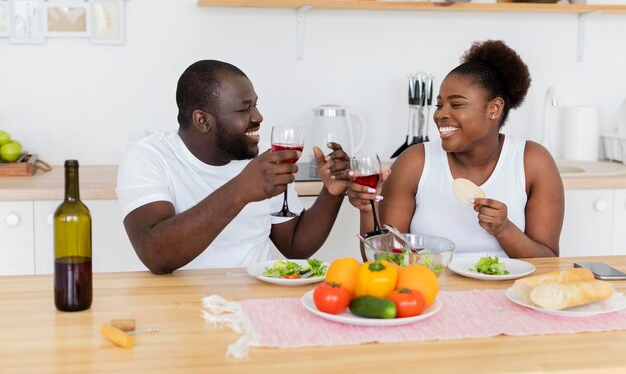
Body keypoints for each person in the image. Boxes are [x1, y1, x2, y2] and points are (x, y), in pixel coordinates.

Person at [116, 60, 350, 274]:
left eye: (255, 105)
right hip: (182, 304)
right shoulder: (148, 157)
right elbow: (156, 255)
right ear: (203, 120)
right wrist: (240, 190)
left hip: (256, 298)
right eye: (244, 109)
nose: (258, 116)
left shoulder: (264, 159)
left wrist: (331, 194)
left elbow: (295, 246)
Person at [348, 40, 564, 258]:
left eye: (456, 104)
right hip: (431, 289)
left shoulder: (533, 162)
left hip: (507, 292)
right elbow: (382, 261)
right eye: (439, 104)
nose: (440, 114)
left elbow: (548, 261)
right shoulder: (414, 162)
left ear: (494, 108)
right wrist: (368, 211)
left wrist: (504, 229)